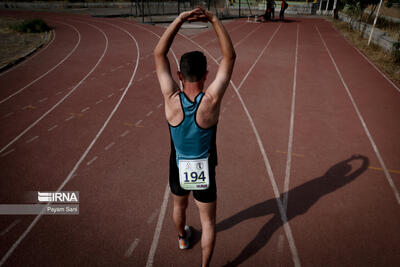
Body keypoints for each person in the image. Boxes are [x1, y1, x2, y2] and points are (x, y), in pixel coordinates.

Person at [154, 7, 235, 267]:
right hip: (204, 168)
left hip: (177, 166)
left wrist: (179, 19)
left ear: (179, 76)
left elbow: (159, 53)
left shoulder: (171, 99)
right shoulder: (210, 101)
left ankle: (181, 237)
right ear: (206, 76)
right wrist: (213, 19)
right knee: (208, 222)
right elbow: (229, 56)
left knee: (179, 207)